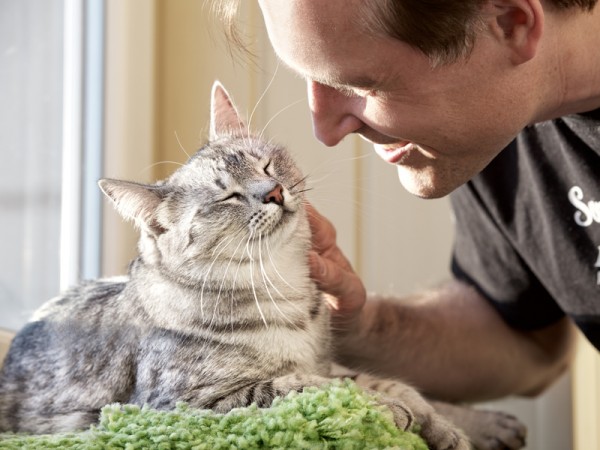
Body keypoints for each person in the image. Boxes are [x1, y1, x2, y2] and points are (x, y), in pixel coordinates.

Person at [217, 0, 600, 403]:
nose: (326, 131)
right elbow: (529, 345)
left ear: (510, 23)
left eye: (359, 85)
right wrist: (349, 321)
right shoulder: (492, 117)